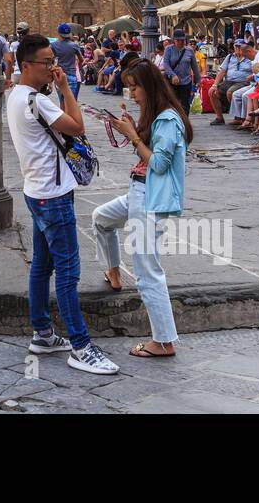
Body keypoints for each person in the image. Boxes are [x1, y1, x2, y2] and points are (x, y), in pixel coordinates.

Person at [7, 33, 119, 376]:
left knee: (42, 265)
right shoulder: (38, 101)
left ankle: (42, 333)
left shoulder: (15, 96)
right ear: (26, 65)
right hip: (53, 196)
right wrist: (66, 90)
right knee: (68, 271)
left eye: (52, 61)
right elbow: (78, 127)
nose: (51, 68)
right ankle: (81, 346)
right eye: (45, 62)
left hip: (35, 190)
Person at [95, 58, 190, 359]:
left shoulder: (167, 120)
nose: (132, 94)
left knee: (148, 271)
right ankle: (113, 272)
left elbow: (160, 164)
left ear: (148, 87)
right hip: (138, 191)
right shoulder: (157, 117)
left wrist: (133, 136)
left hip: (149, 197)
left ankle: (163, 342)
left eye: (134, 88)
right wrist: (133, 129)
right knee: (101, 219)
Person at [160, 28, 200, 116]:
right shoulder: (168, 49)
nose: (180, 42)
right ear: (174, 40)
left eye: (182, 40)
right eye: (178, 40)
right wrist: (173, 75)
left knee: (185, 105)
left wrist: (198, 81)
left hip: (186, 81)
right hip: (172, 82)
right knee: (173, 103)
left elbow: (194, 67)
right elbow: (166, 65)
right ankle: (174, 121)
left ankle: (185, 123)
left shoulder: (189, 50)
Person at [214, 39, 255, 125]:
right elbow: (222, 71)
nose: (237, 48)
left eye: (239, 46)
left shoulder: (249, 57)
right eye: (236, 46)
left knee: (230, 92)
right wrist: (214, 84)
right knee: (212, 91)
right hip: (229, 81)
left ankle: (238, 117)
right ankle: (219, 117)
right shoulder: (229, 57)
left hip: (244, 82)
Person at [49, 24, 83, 102]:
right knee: (71, 102)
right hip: (71, 74)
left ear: (58, 33)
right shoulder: (74, 45)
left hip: (59, 75)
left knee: (62, 101)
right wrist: (79, 67)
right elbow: (81, 60)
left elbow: (50, 60)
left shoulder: (53, 45)